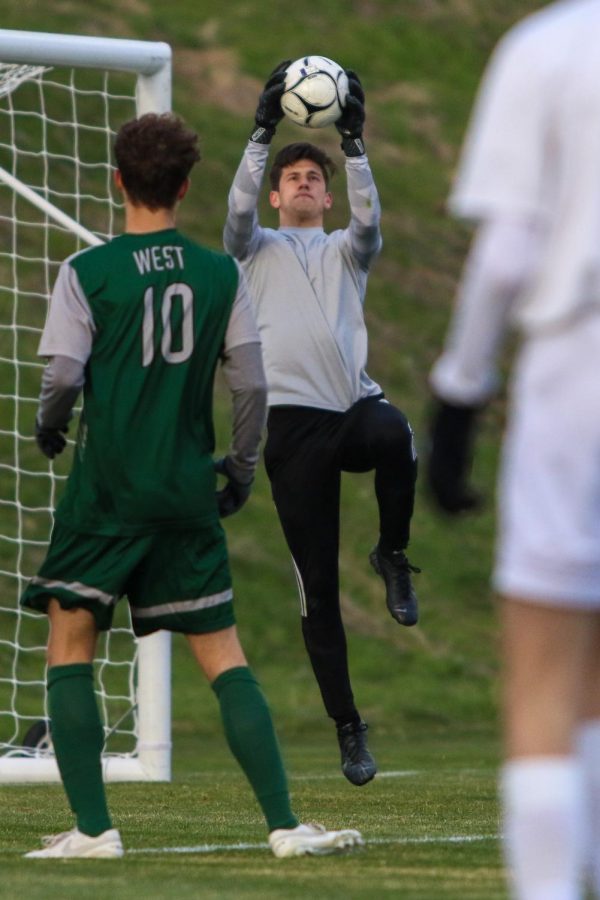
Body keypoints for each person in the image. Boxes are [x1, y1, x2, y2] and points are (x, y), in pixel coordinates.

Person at [21, 112, 363, 860]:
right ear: (183, 186)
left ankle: (93, 830)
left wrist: (51, 426)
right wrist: (240, 468)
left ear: (119, 182)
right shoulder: (219, 273)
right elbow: (251, 384)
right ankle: (281, 826)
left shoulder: (87, 272)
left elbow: (63, 376)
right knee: (223, 654)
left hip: (105, 492)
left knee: (70, 639)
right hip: (184, 490)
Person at [427, 2, 600, 897]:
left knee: (546, 668)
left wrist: (459, 392)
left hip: (580, 366)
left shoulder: (551, 46)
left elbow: (504, 258)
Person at [224, 63, 419, 787]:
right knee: (317, 591)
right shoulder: (253, 249)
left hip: (352, 412)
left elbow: (369, 223)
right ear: (277, 194)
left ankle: (393, 554)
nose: (304, 182)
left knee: (395, 434)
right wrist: (260, 134)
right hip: (292, 430)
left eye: (315, 176)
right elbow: (235, 217)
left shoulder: (346, 249)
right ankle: (348, 728)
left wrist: (357, 145)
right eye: (293, 177)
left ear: (327, 194)